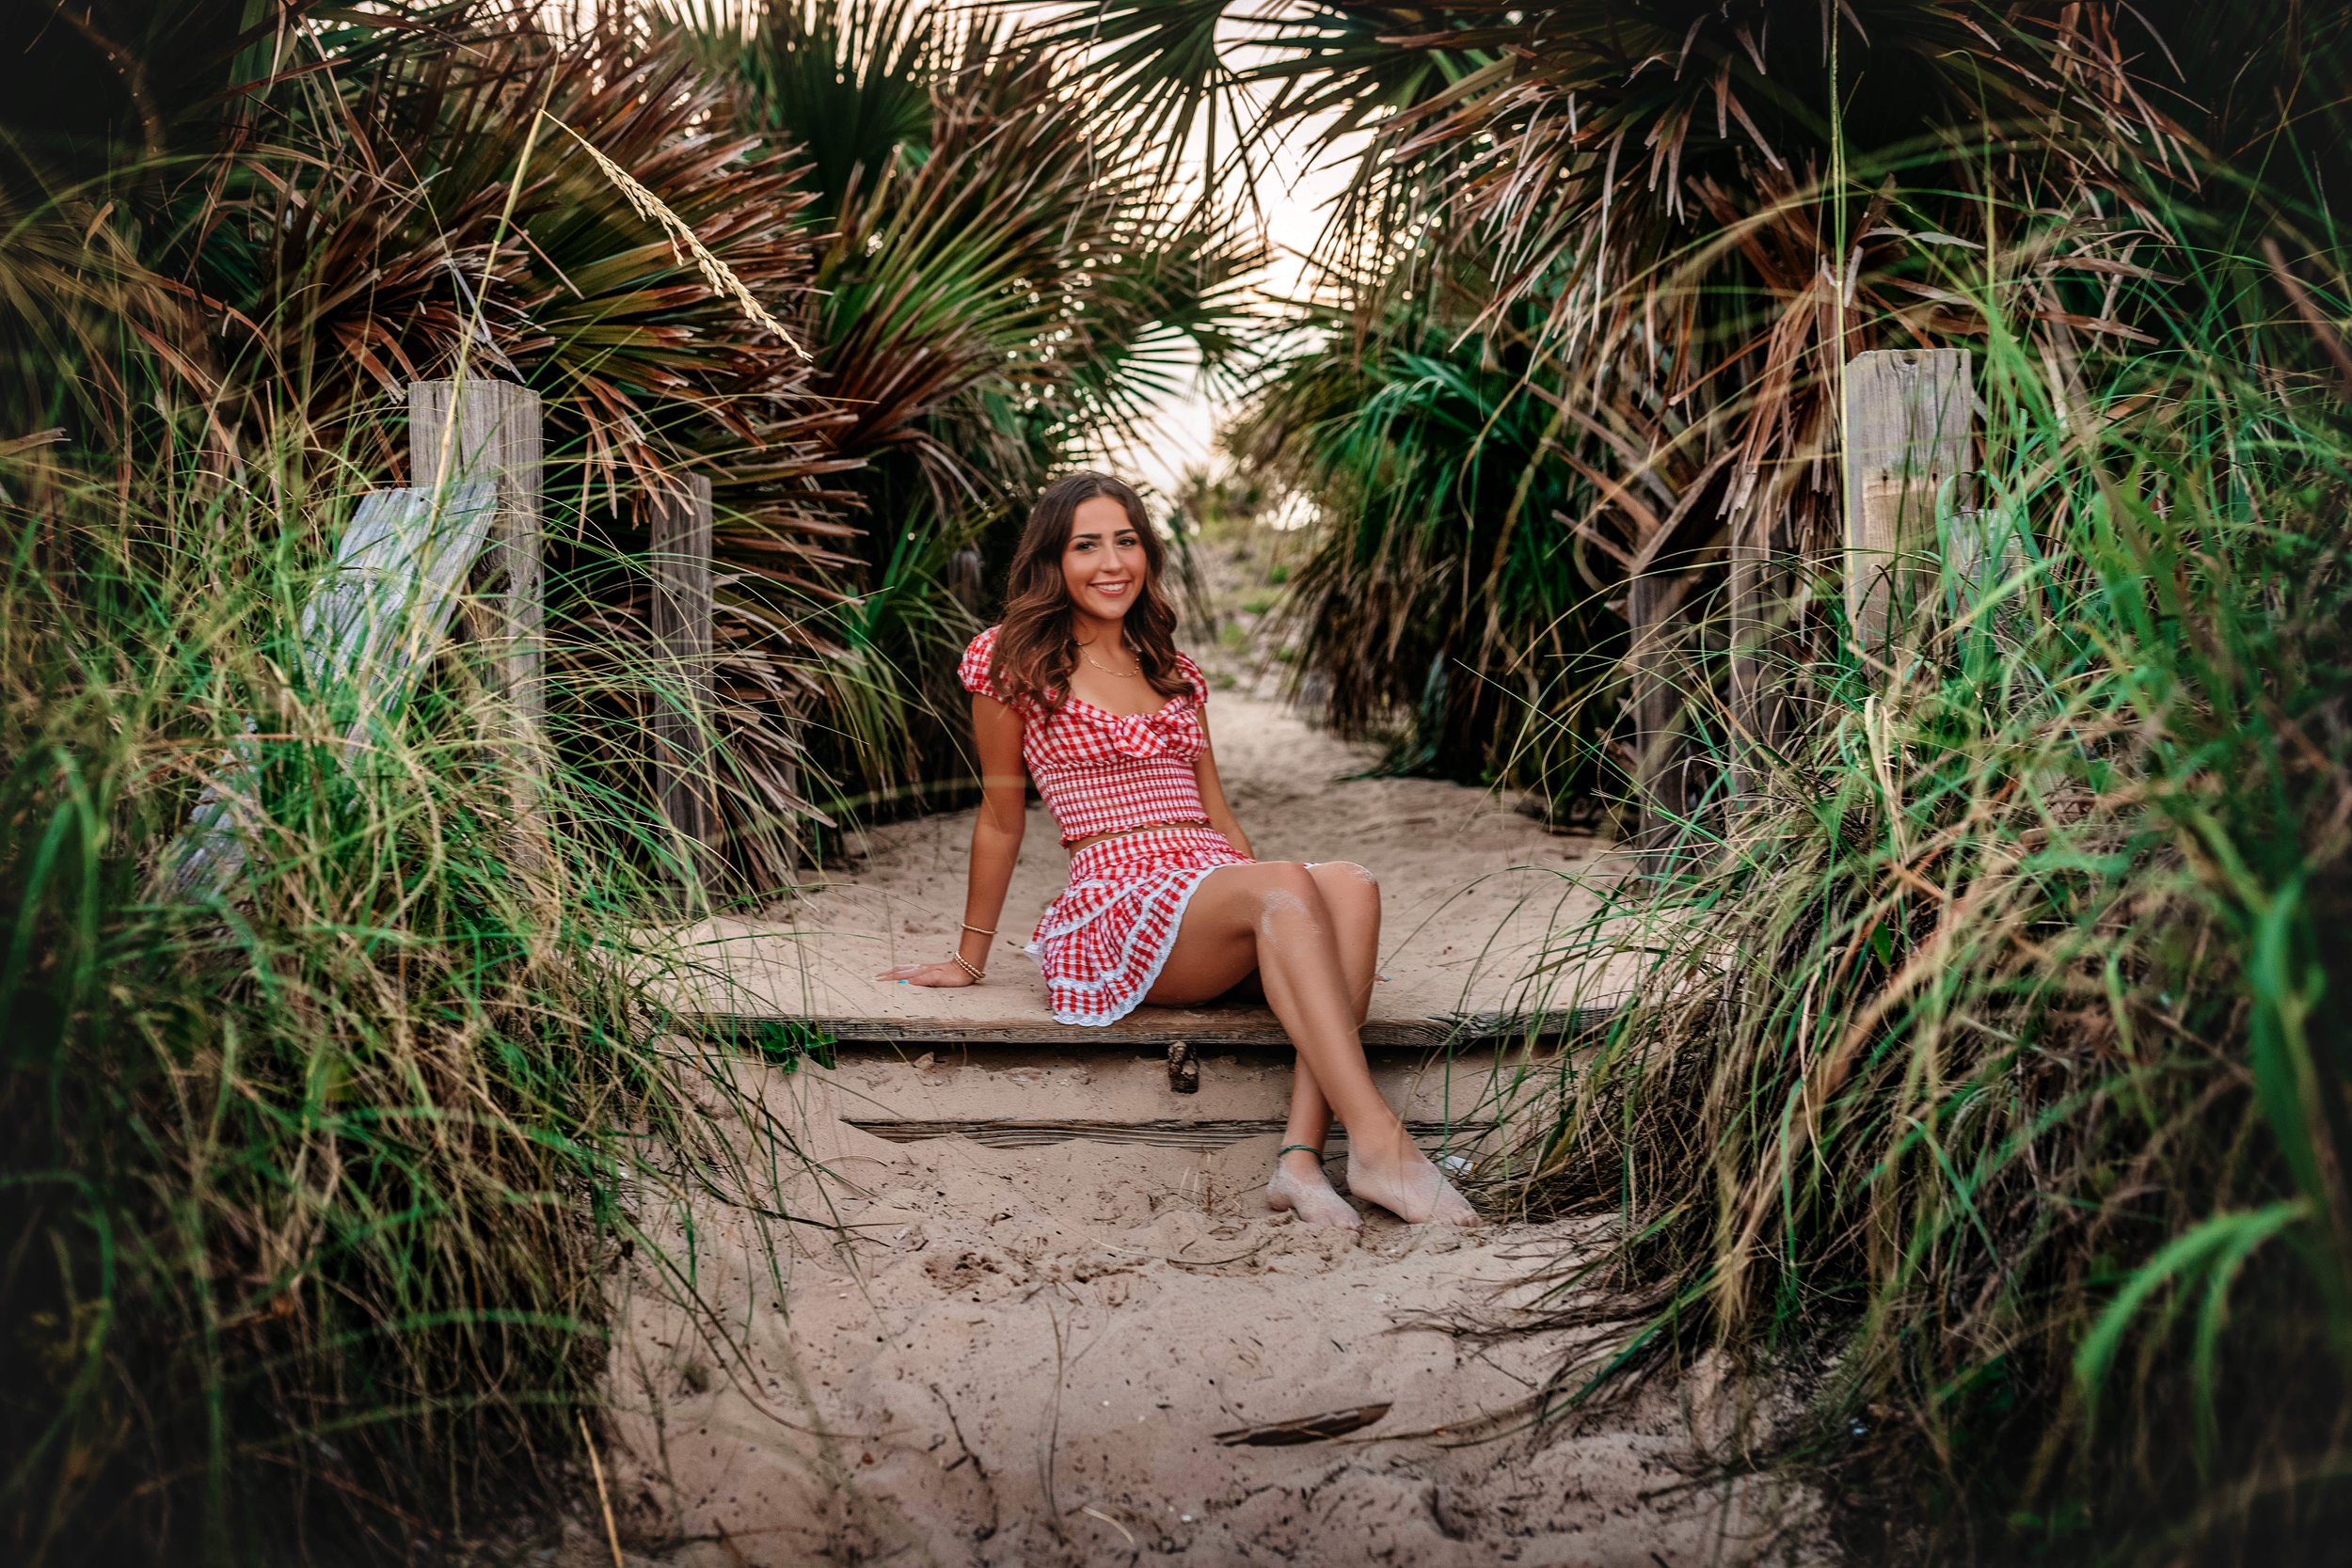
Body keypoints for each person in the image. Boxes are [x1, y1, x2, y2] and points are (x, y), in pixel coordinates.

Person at [877, 471, 1477, 1229]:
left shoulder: (1174, 670)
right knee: (1285, 884)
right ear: (1051, 560)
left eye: (1126, 541)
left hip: (1211, 890)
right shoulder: (1010, 660)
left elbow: (1220, 818)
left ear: (1147, 553)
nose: (1111, 562)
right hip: (1117, 903)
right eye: (1085, 545)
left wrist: (1305, 923)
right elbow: (1000, 819)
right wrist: (969, 959)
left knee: (1351, 884)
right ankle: (1380, 1142)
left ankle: (1299, 1160)